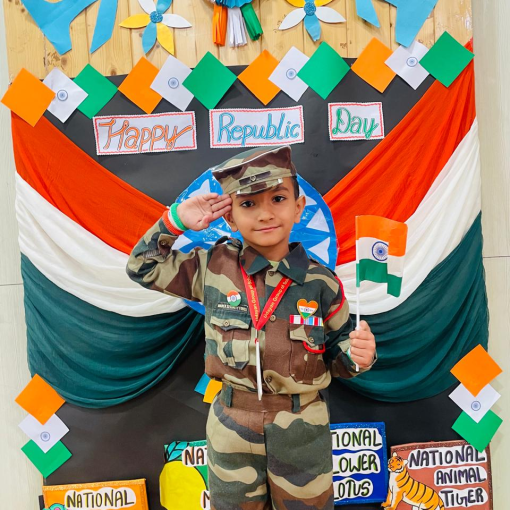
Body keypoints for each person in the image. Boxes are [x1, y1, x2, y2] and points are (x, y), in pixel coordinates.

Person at [126, 145, 376, 510]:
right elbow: (142, 267)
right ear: (229, 219)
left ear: (298, 207)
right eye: (248, 204)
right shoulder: (213, 267)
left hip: (302, 426)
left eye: (277, 198)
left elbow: (338, 356)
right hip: (232, 425)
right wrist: (174, 222)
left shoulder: (322, 282)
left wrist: (357, 357)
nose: (265, 214)